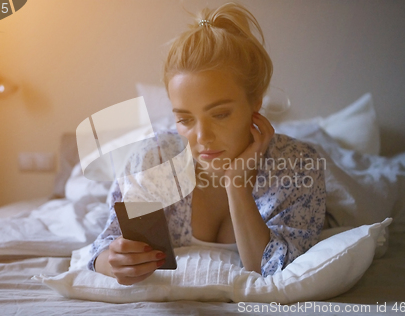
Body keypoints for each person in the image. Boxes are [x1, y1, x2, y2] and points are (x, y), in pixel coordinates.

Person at [88, 2, 326, 285]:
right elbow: (103, 247)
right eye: (185, 119)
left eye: (220, 114)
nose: (202, 137)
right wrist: (113, 262)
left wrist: (236, 184)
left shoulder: (298, 165)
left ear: (256, 102)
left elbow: (271, 270)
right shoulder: (154, 159)